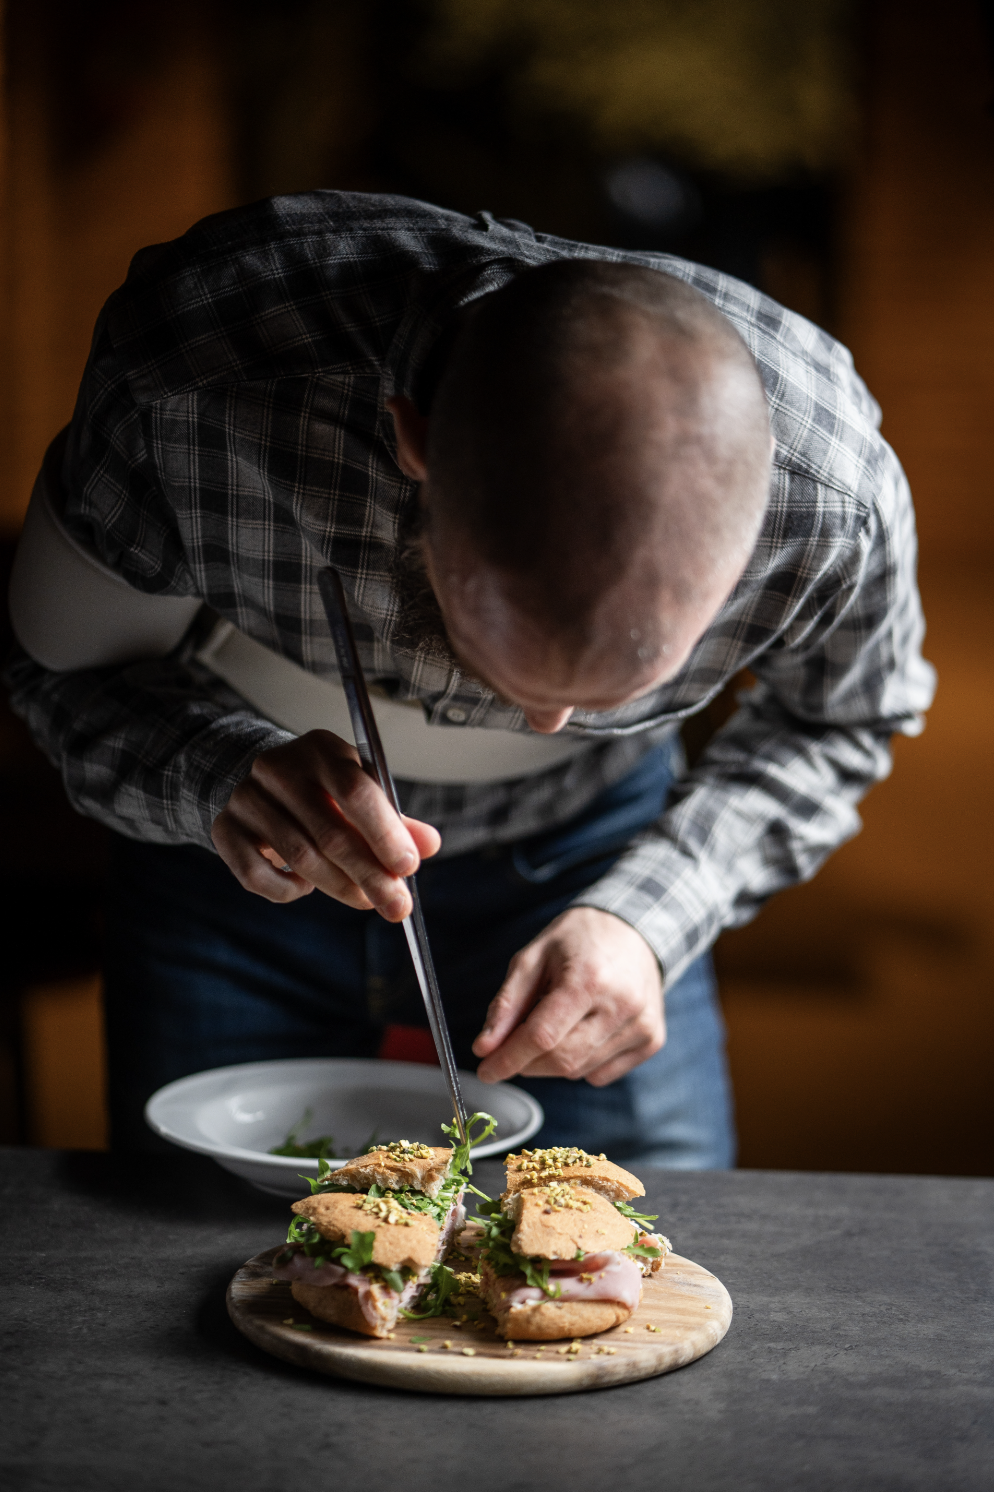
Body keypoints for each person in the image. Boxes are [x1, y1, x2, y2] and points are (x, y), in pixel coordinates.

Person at [5, 192, 935, 1161]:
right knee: (179, 1272)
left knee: (636, 1258)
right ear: (413, 445)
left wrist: (649, 916)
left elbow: (840, 722)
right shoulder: (193, 377)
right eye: (511, 659)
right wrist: (208, 769)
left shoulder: (835, 505)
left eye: (619, 684)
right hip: (231, 876)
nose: (544, 720)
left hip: (592, 859)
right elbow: (50, 664)